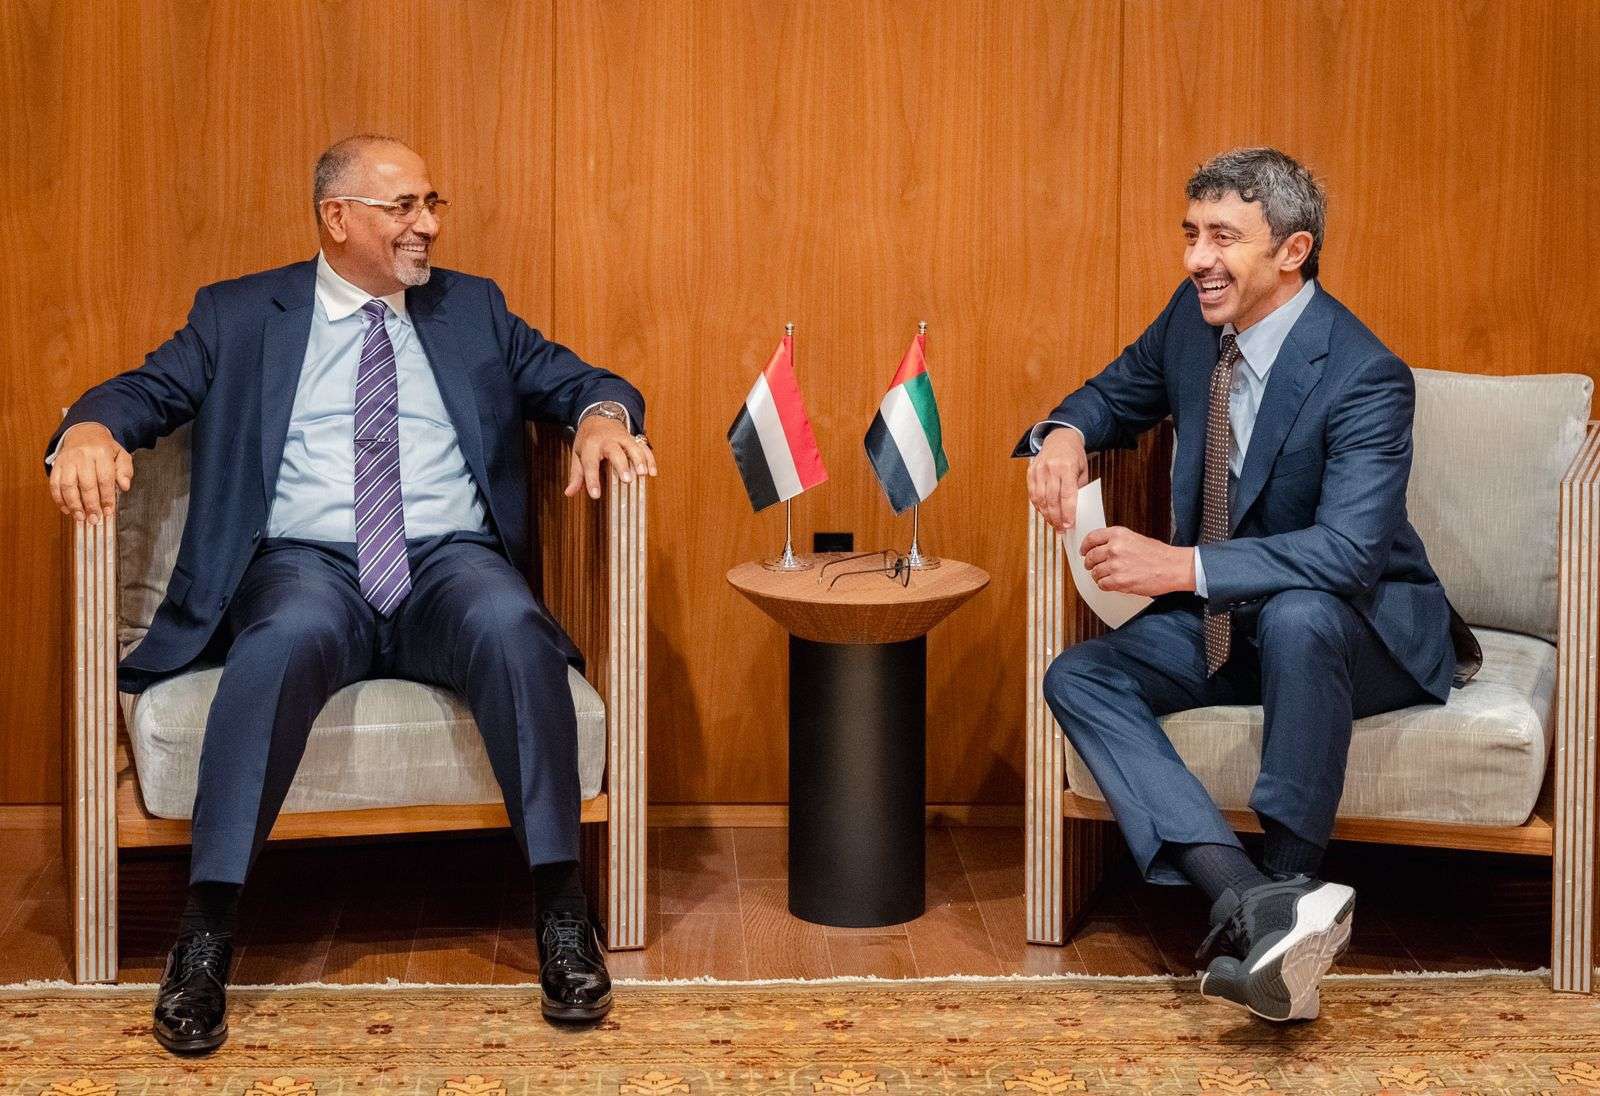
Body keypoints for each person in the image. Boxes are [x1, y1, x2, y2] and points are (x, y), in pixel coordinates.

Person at [45, 135, 655, 1053]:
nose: (428, 225)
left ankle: (563, 915)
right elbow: (145, 390)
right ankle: (205, 935)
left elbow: (587, 382)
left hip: (446, 563)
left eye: (432, 203)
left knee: (512, 624)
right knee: (279, 640)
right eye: (403, 206)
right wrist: (89, 428)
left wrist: (603, 418)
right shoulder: (241, 314)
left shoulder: (471, 309)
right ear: (337, 218)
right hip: (309, 564)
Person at [1017, 147, 1477, 1023]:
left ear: (1292, 251)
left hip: (1364, 627)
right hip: (1232, 619)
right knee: (1081, 673)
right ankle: (1251, 900)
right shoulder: (1192, 323)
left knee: (1302, 616)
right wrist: (1065, 433)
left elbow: (1348, 554)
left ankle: (1292, 876)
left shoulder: (1364, 374)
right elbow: (1112, 394)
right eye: (1191, 233)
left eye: (1223, 237)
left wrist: (1182, 566)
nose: (1198, 258)